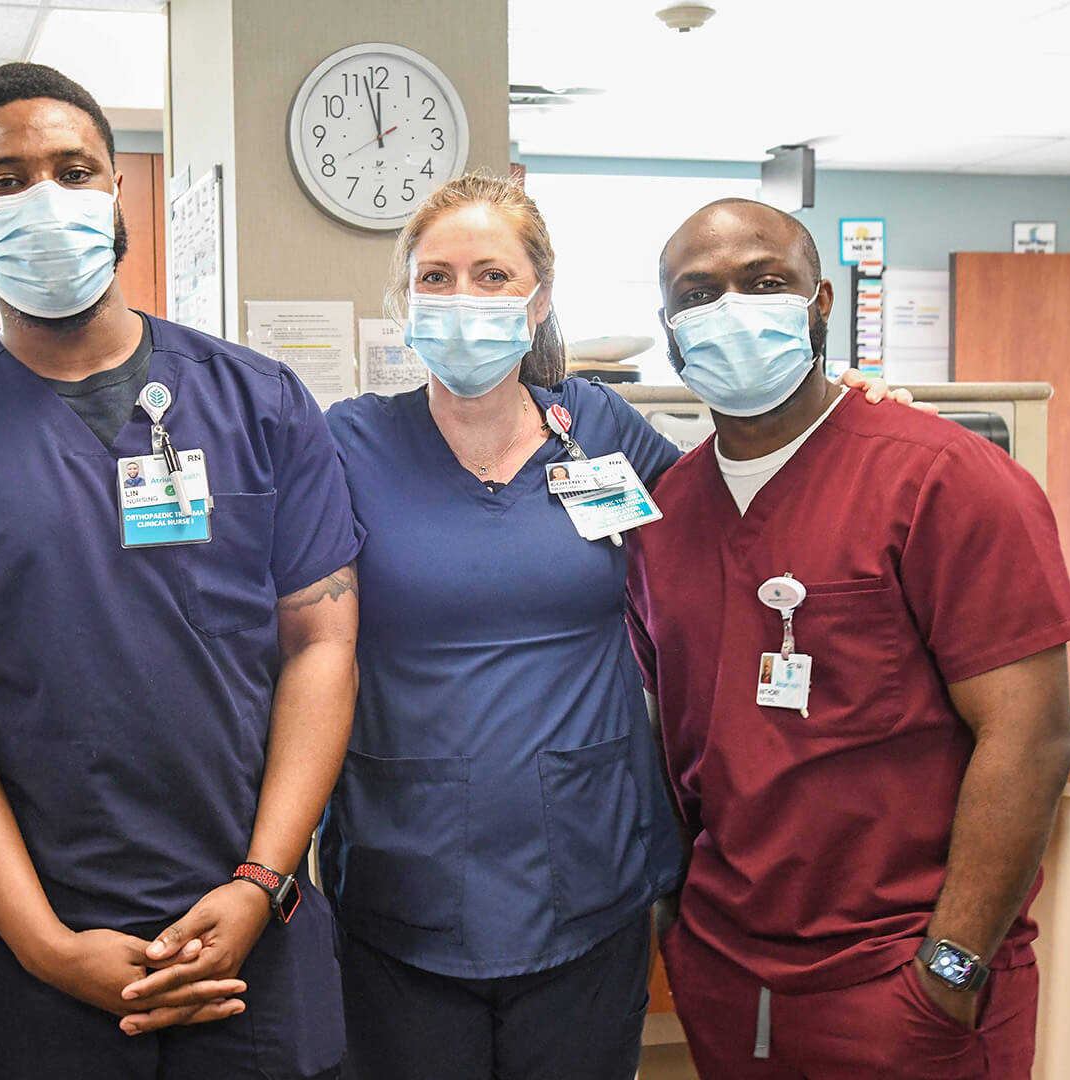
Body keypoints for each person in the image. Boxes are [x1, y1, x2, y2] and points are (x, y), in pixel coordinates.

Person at [318, 174, 908, 1080]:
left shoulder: (593, 427)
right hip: (405, 867)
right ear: (405, 298)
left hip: (584, 862)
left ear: (539, 295)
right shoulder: (347, 443)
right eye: (435, 277)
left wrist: (841, 419)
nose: (462, 300)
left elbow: (743, 509)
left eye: (491, 274)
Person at [0, 62, 361, 1079]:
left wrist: (259, 881)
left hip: (252, 923)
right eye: (5, 180)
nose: (46, 197)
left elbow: (322, 645)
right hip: (44, 950)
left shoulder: (259, 403)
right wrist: (42, 941)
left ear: (119, 193)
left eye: (74, 169)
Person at [628, 198, 1070, 1078]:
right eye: (699, 293)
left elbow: (1030, 735)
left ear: (820, 301)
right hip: (728, 972)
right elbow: (676, 743)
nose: (732, 311)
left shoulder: (946, 480)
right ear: (671, 329)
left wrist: (950, 969)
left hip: (903, 979)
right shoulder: (666, 512)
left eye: (765, 283)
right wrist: (683, 930)